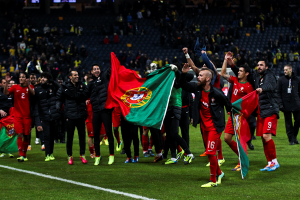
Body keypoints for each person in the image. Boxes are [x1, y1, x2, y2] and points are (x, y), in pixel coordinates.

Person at [181, 64, 231, 187]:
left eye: (201, 75)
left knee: (210, 152)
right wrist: (183, 73)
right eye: (198, 75)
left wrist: (231, 112)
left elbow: (227, 103)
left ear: (208, 79)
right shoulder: (197, 89)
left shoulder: (216, 93)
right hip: (204, 127)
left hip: (215, 127)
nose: (198, 77)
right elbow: (183, 85)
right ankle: (219, 173)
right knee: (210, 153)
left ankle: (213, 180)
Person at [229, 58, 280, 171]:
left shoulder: (270, 76)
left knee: (267, 136)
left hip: (270, 109)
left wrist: (262, 88)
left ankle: (275, 162)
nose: (259, 67)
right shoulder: (257, 77)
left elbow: (270, 85)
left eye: (262, 65)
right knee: (263, 138)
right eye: (258, 65)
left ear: (266, 67)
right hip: (261, 111)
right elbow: (243, 73)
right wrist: (233, 66)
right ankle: (270, 162)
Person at [220, 53, 254, 171]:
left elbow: (250, 103)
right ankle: (241, 156)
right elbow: (223, 74)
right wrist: (225, 60)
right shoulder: (234, 80)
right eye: (238, 70)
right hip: (231, 115)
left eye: (241, 71)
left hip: (241, 117)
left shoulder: (249, 87)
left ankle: (241, 162)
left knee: (240, 140)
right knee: (227, 138)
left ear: (247, 74)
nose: (238, 72)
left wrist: (244, 113)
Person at [83, 64, 115, 165]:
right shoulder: (90, 84)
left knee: (109, 132)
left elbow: (111, 70)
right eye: (95, 69)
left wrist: (112, 59)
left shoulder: (105, 78)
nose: (97, 70)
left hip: (105, 110)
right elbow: (84, 95)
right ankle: (97, 156)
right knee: (96, 134)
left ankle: (111, 155)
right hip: (96, 111)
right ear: (92, 72)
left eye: (98, 69)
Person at [56, 71, 87, 165]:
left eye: (78, 75)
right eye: (75, 75)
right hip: (70, 115)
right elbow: (59, 98)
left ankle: (82, 154)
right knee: (69, 137)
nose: (77, 76)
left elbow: (86, 95)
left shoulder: (82, 85)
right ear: (70, 77)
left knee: (82, 136)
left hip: (81, 114)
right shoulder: (64, 87)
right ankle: (70, 155)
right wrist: (58, 109)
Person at [3, 72, 35, 162]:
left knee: (26, 135)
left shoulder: (30, 87)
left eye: (23, 77)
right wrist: (6, 82)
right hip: (17, 116)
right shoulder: (15, 87)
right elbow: (6, 93)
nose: (21, 79)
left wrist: (28, 85)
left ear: (26, 79)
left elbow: (33, 94)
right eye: (20, 77)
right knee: (19, 134)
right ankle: (21, 154)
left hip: (27, 116)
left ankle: (24, 155)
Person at [34, 72, 61, 161]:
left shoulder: (52, 87)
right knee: (46, 135)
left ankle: (51, 153)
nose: (42, 79)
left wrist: (52, 81)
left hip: (53, 116)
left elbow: (61, 88)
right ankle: (47, 154)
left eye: (45, 78)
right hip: (44, 116)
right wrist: (38, 120)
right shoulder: (37, 90)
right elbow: (36, 106)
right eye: (42, 77)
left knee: (52, 136)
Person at [277, 65, 300, 145]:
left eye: (286, 70)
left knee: (298, 121)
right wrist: (280, 104)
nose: (285, 71)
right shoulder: (281, 80)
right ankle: (291, 139)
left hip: (296, 104)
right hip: (285, 104)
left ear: (291, 70)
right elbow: (278, 93)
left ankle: (294, 136)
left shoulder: (297, 79)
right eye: (284, 70)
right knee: (288, 123)